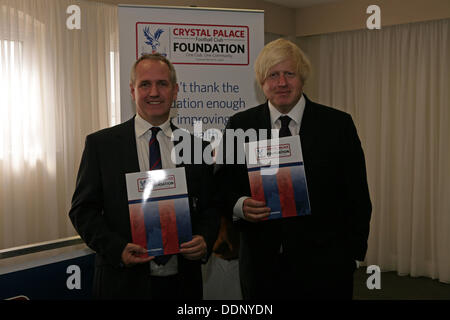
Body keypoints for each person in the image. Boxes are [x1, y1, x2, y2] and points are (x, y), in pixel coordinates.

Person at [215, 38, 372, 299]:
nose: (282, 83)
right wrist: (240, 204)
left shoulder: (338, 125)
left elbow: (357, 194)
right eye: (273, 75)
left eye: (290, 74)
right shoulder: (240, 125)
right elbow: (221, 184)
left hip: (326, 267)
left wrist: (352, 255)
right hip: (262, 266)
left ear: (303, 78)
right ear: (262, 82)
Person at [69, 53, 219, 299]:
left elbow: (210, 208)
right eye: (145, 84)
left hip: (182, 283)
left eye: (162, 83)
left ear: (175, 90)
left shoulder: (197, 147)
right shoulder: (101, 145)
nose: (154, 92)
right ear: (132, 90)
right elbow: (83, 211)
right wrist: (117, 249)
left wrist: (204, 239)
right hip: (122, 283)